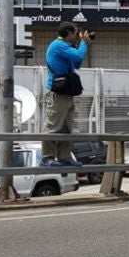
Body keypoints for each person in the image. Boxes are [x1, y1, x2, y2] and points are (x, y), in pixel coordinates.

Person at [42, 22, 92, 165]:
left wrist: (82, 45)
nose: (78, 36)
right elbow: (77, 56)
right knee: (52, 126)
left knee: (66, 127)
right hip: (56, 91)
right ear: (69, 33)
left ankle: (64, 157)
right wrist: (83, 43)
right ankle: (47, 158)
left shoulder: (66, 47)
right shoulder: (58, 45)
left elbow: (76, 64)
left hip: (66, 91)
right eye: (76, 34)